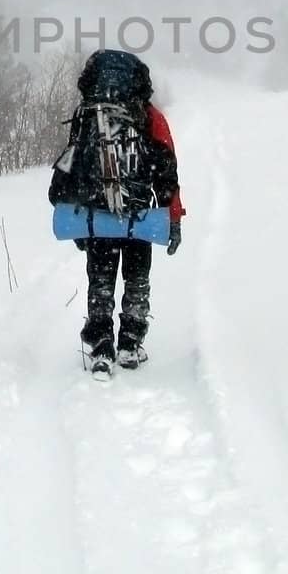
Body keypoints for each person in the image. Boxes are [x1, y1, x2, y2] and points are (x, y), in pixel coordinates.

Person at [48, 49, 185, 370]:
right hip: (139, 217)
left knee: (100, 280)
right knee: (137, 277)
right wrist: (172, 218)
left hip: (97, 216)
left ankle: (101, 345)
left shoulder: (88, 114)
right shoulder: (149, 117)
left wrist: (70, 209)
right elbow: (167, 172)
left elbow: (71, 164)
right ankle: (130, 344)